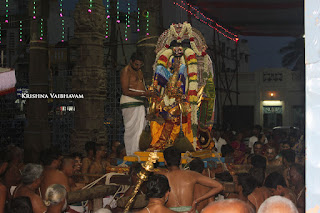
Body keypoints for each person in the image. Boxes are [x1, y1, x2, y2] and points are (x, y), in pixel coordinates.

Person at [161, 147, 223, 213]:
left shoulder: (162, 177)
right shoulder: (191, 175)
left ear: (165, 161)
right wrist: (197, 200)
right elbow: (219, 186)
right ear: (180, 161)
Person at [120, 52, 152, 156]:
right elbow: (125, 91)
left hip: (140, 103)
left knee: (141, 130)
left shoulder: (139, 71)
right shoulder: (126, 71)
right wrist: (144, 93)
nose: (138, 67)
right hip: (130, 103)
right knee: (132, 131)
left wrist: (148, 94)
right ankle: (132, 155)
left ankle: (139, 154)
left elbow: (142, 86)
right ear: (131, 62)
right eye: (136, 64)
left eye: (140, 65)